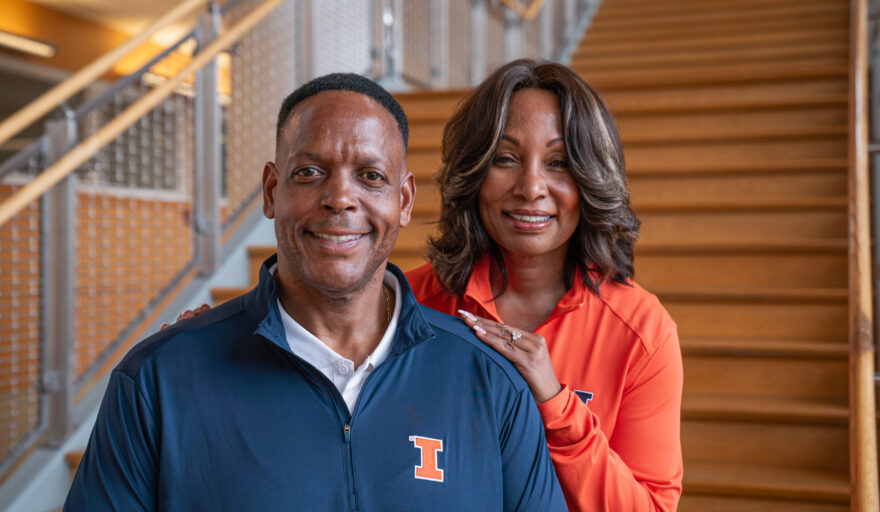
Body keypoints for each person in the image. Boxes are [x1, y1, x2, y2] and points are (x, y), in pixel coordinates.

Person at [64, 73, 567, 511]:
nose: (340, 198)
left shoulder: (491, 382)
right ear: (270, 191)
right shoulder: (158, 380)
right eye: (310, 173)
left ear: (404, 200)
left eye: (370, 176)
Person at [406, 59, 683, 511]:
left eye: (558, 163)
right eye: (506, 159)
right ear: (475, 174)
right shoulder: (411, 304)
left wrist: (557, 405)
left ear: (590, 180)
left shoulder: (642, 330)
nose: (531, 187)